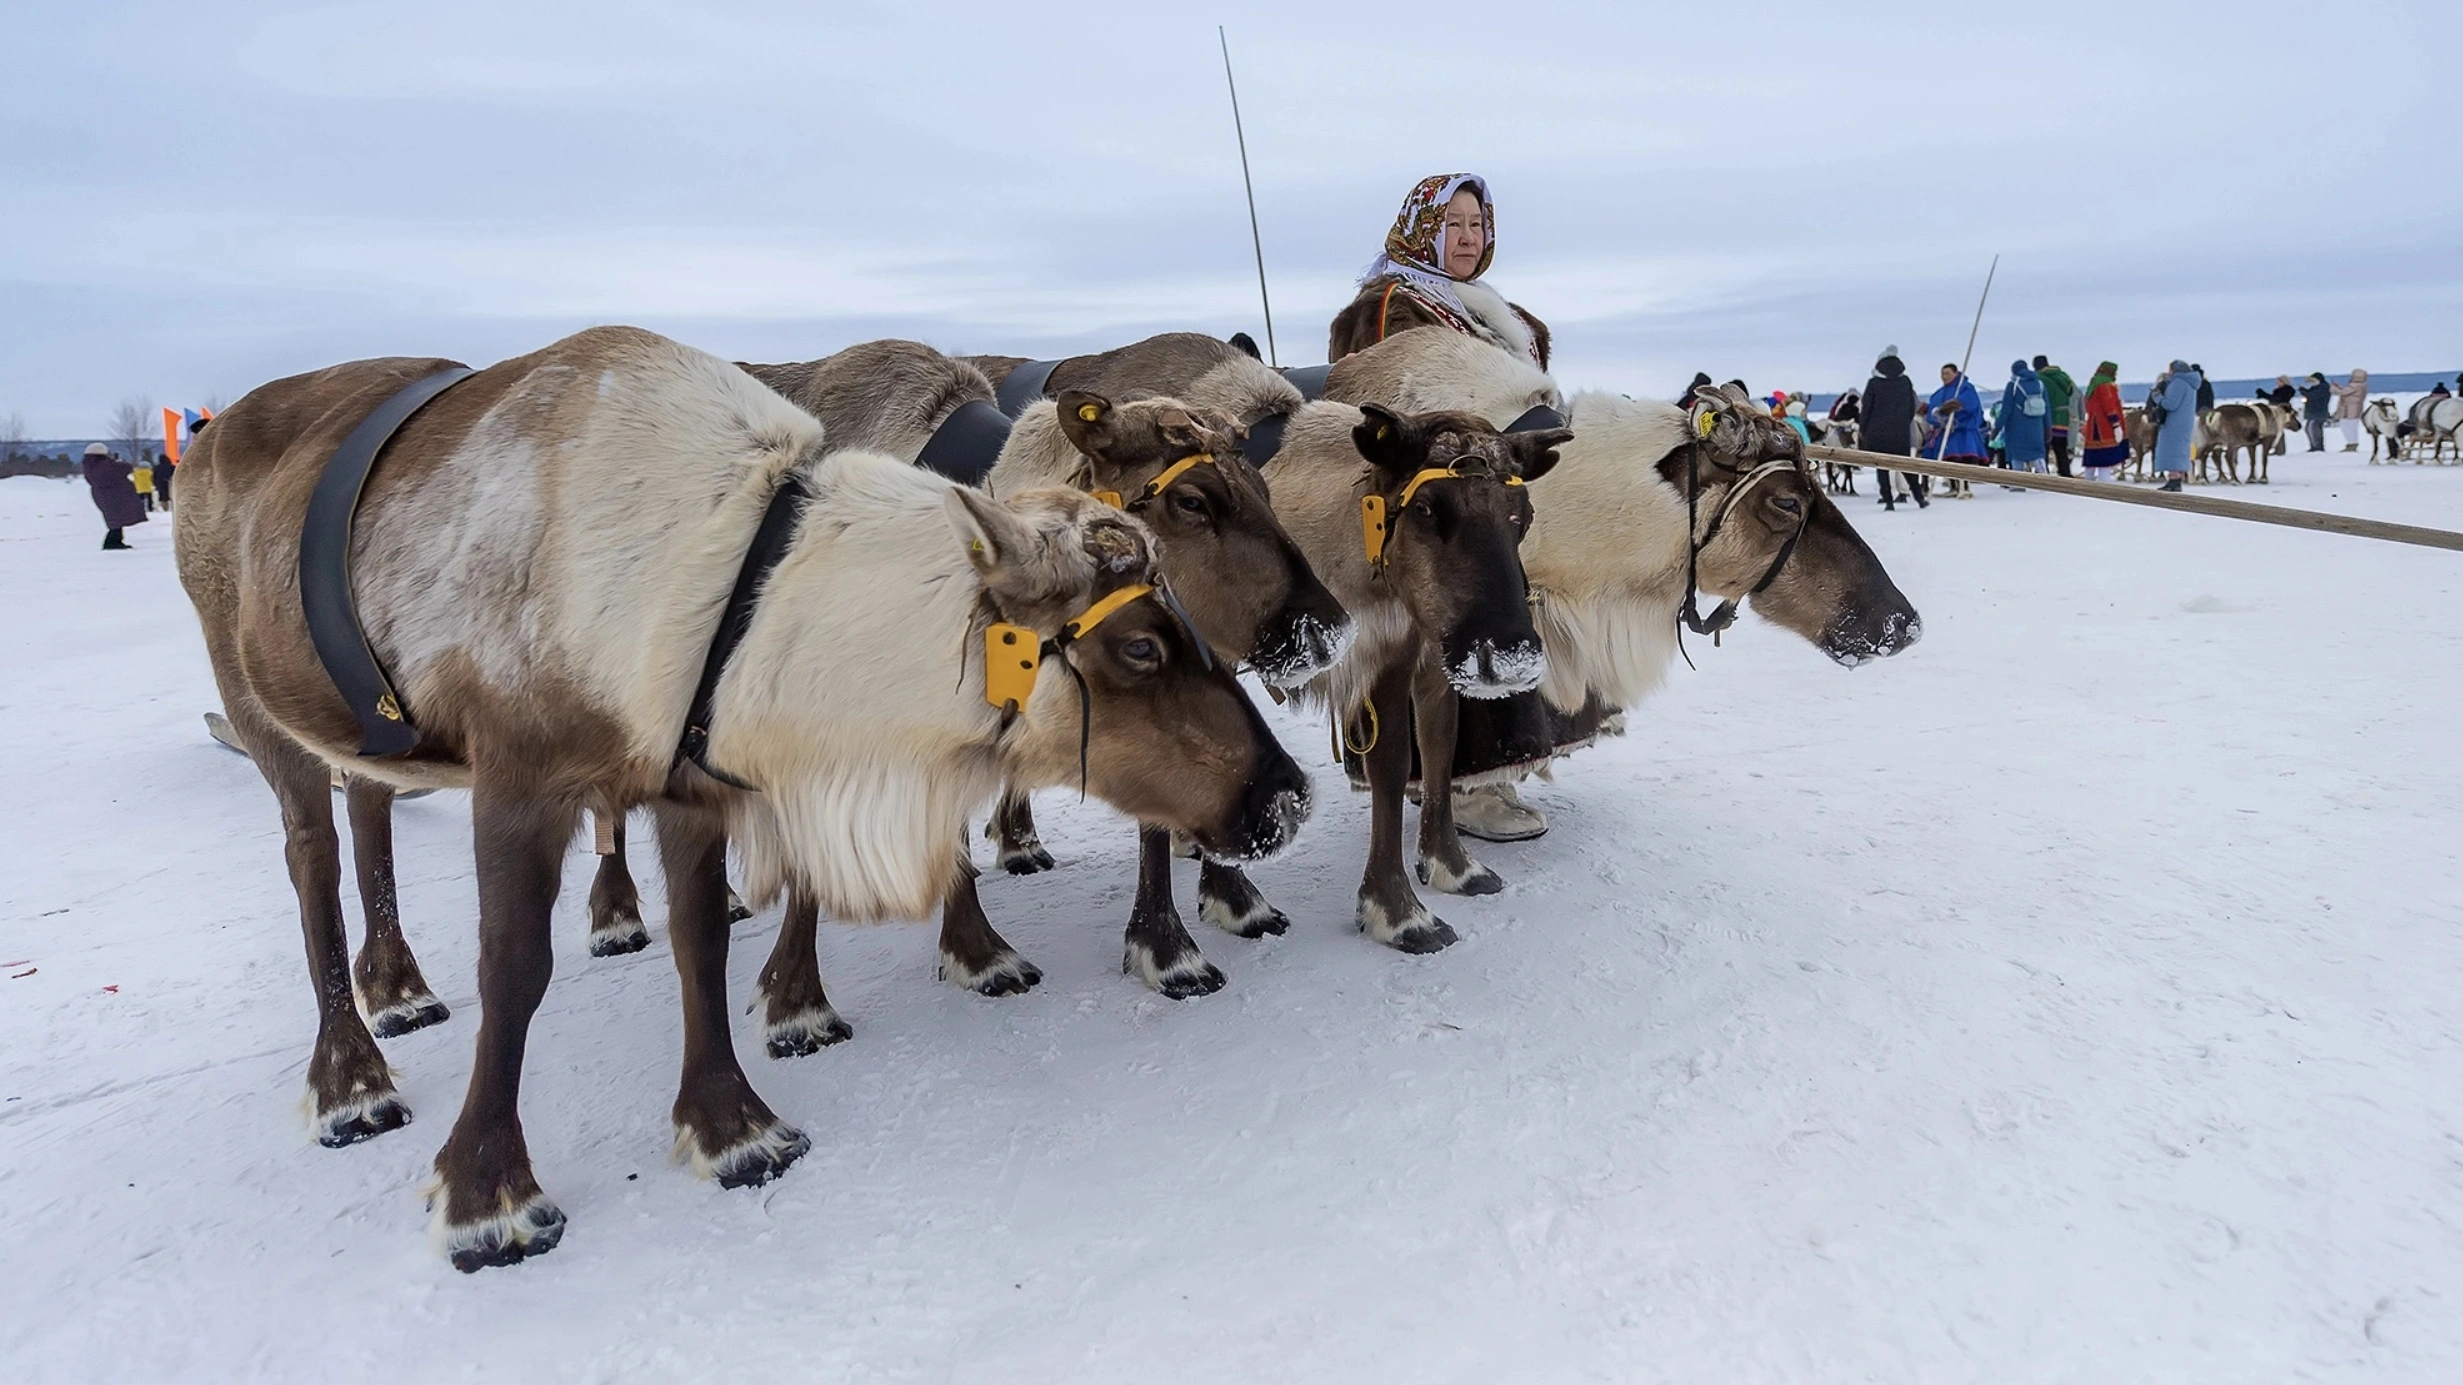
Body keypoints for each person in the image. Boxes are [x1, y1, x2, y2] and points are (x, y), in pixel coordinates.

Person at [1329, 173, 1548, 368]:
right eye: (1453, 225)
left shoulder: (1510, 316)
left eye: (1475, 224)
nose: (1468, 239)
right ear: (1423, 231)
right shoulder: (1387, 308)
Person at [1860, 347, 1925, 510]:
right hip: (1900, 431)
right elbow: (1911, 407)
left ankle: (1888, 500)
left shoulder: (1874, 383)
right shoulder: (1905, 382)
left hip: (1877, 431)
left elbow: (1866, 408)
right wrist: (1903, 422)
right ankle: (1919, 497)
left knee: (1881, 467)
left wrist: (1864, 430)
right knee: (1905, 466)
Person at [81, 442, 146, 549]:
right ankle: (112, 541)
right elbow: (126, 468)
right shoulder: (105, 465)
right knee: (117, 518)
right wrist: (115, 461)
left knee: (114, 519)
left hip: (103, 494)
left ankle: (116, 540)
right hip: (113, 495)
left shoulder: (90, 466)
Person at [2151, 360, 2202, 491]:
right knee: (2180, 449)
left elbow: (2170, 404)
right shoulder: (2190, 383)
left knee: (2171, 448)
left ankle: (2173, 480)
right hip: (2185, 421)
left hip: (2174, 422)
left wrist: (2157, 397)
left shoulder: (2178, 383)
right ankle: (2177, 478)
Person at [1997, 359, 2049, 476]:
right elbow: (2047, 409)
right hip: (2037, 428)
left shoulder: (2013, 385)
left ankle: (2018, 483)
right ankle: (2045, 480)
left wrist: (1997, 428)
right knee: (2038, 455)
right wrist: (2048, 428)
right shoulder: (2040, 385)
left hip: (2016, 428)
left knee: (2017, 456)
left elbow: (2006, 410)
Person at [2078, 361, 2128, 479]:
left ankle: (2088, 482)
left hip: (2093, 425)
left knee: (2093, 457)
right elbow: (2109, 406)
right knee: (2105, 458)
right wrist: (2116, 424)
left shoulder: (2094, 384)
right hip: (2104, 426)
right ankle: (2104, 484)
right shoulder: (2106, 385)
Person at [2033, 355, 2077, 477]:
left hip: (2046, 417)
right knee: (2061, 449)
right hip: (2063, 417)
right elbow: (2070, 391)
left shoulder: (2039, 379)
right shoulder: (2062, 376)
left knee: (2044, 448)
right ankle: (2065, 473)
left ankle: (2042, 474)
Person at [2330, 369, 2370, 451]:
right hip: (2355, 409)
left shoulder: (2355, 386)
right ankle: (2352, 443)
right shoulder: (2362, 386)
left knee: (2347, 427)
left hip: (2349, 410)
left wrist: (2334, 387)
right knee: (2352, 427)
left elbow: (2342, 392)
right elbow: (2345, 391)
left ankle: (2351, 443)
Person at [2300, 371, 2333, 451]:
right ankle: (2315, 446)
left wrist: (2303, 391)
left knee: (2312, 428)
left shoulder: (2323, 387)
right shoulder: (2319, 387)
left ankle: (2317, 447)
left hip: (2318, 412)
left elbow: (2312, 395)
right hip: (2316, 412)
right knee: (2311, 428)